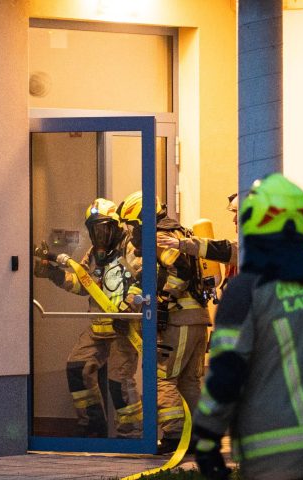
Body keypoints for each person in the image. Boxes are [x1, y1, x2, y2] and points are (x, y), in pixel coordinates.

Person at [192, 173, 303, 480]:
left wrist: (206, 439)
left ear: (254, 221)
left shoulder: (247, 290)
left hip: (274, 456)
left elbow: (227, 372)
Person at [34, 198, 143, 439]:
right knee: (77, 368)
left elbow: (142, 281)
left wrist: (127, 311)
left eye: (103, 229)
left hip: (124, 328)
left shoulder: (131, 248)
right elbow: (82, 284)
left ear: (115, 227)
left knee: (118, 382)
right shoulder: (93, 254)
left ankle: (132, 436)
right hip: (98, 327)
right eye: (94, 230)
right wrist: (53, 273)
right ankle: (93, 428)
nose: (98, 236)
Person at [117, 191, 211, 454]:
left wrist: (163, 299)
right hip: (197, 319)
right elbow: (153, 278)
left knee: (161, 378)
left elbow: (181, 271)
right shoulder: (178, 232)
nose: (131, 232)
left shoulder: (158, 237)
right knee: (189, 382)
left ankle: (175, 435)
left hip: (180, 321)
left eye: (133, 225)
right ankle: (198, 437)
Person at [158, 193, 238, 286]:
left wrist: (181, 244)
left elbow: (222, 249)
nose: (234, 219)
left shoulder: (248, 248)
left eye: (238, 214)